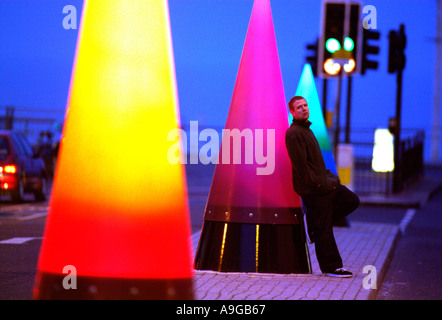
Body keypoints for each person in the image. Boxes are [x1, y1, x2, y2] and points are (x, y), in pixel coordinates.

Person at [285, 95, 360, 278]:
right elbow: (301, 166)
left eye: (305, 105)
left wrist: (327, 178)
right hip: (314, 188)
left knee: (351, 200)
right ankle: (331, 267)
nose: (304, 108)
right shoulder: (294, 133)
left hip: (322, 183)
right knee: (324, 228)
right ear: (292, 112)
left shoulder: (306, 130)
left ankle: (316, 226)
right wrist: (318, 183)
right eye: (299, 107)